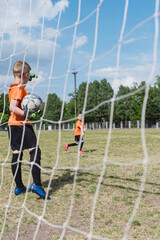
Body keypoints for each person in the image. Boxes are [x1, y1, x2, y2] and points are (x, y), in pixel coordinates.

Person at [8, 60, 50, 199]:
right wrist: (27, 114)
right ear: (25, 75)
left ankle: (19, 186)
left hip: (12, 125)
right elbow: (12, 107)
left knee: (17, 154)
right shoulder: (18, 89)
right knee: (35, 151)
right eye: (28, 76)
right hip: (21, 125)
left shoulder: (15, 86)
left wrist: (26, 75)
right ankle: (37, 185)